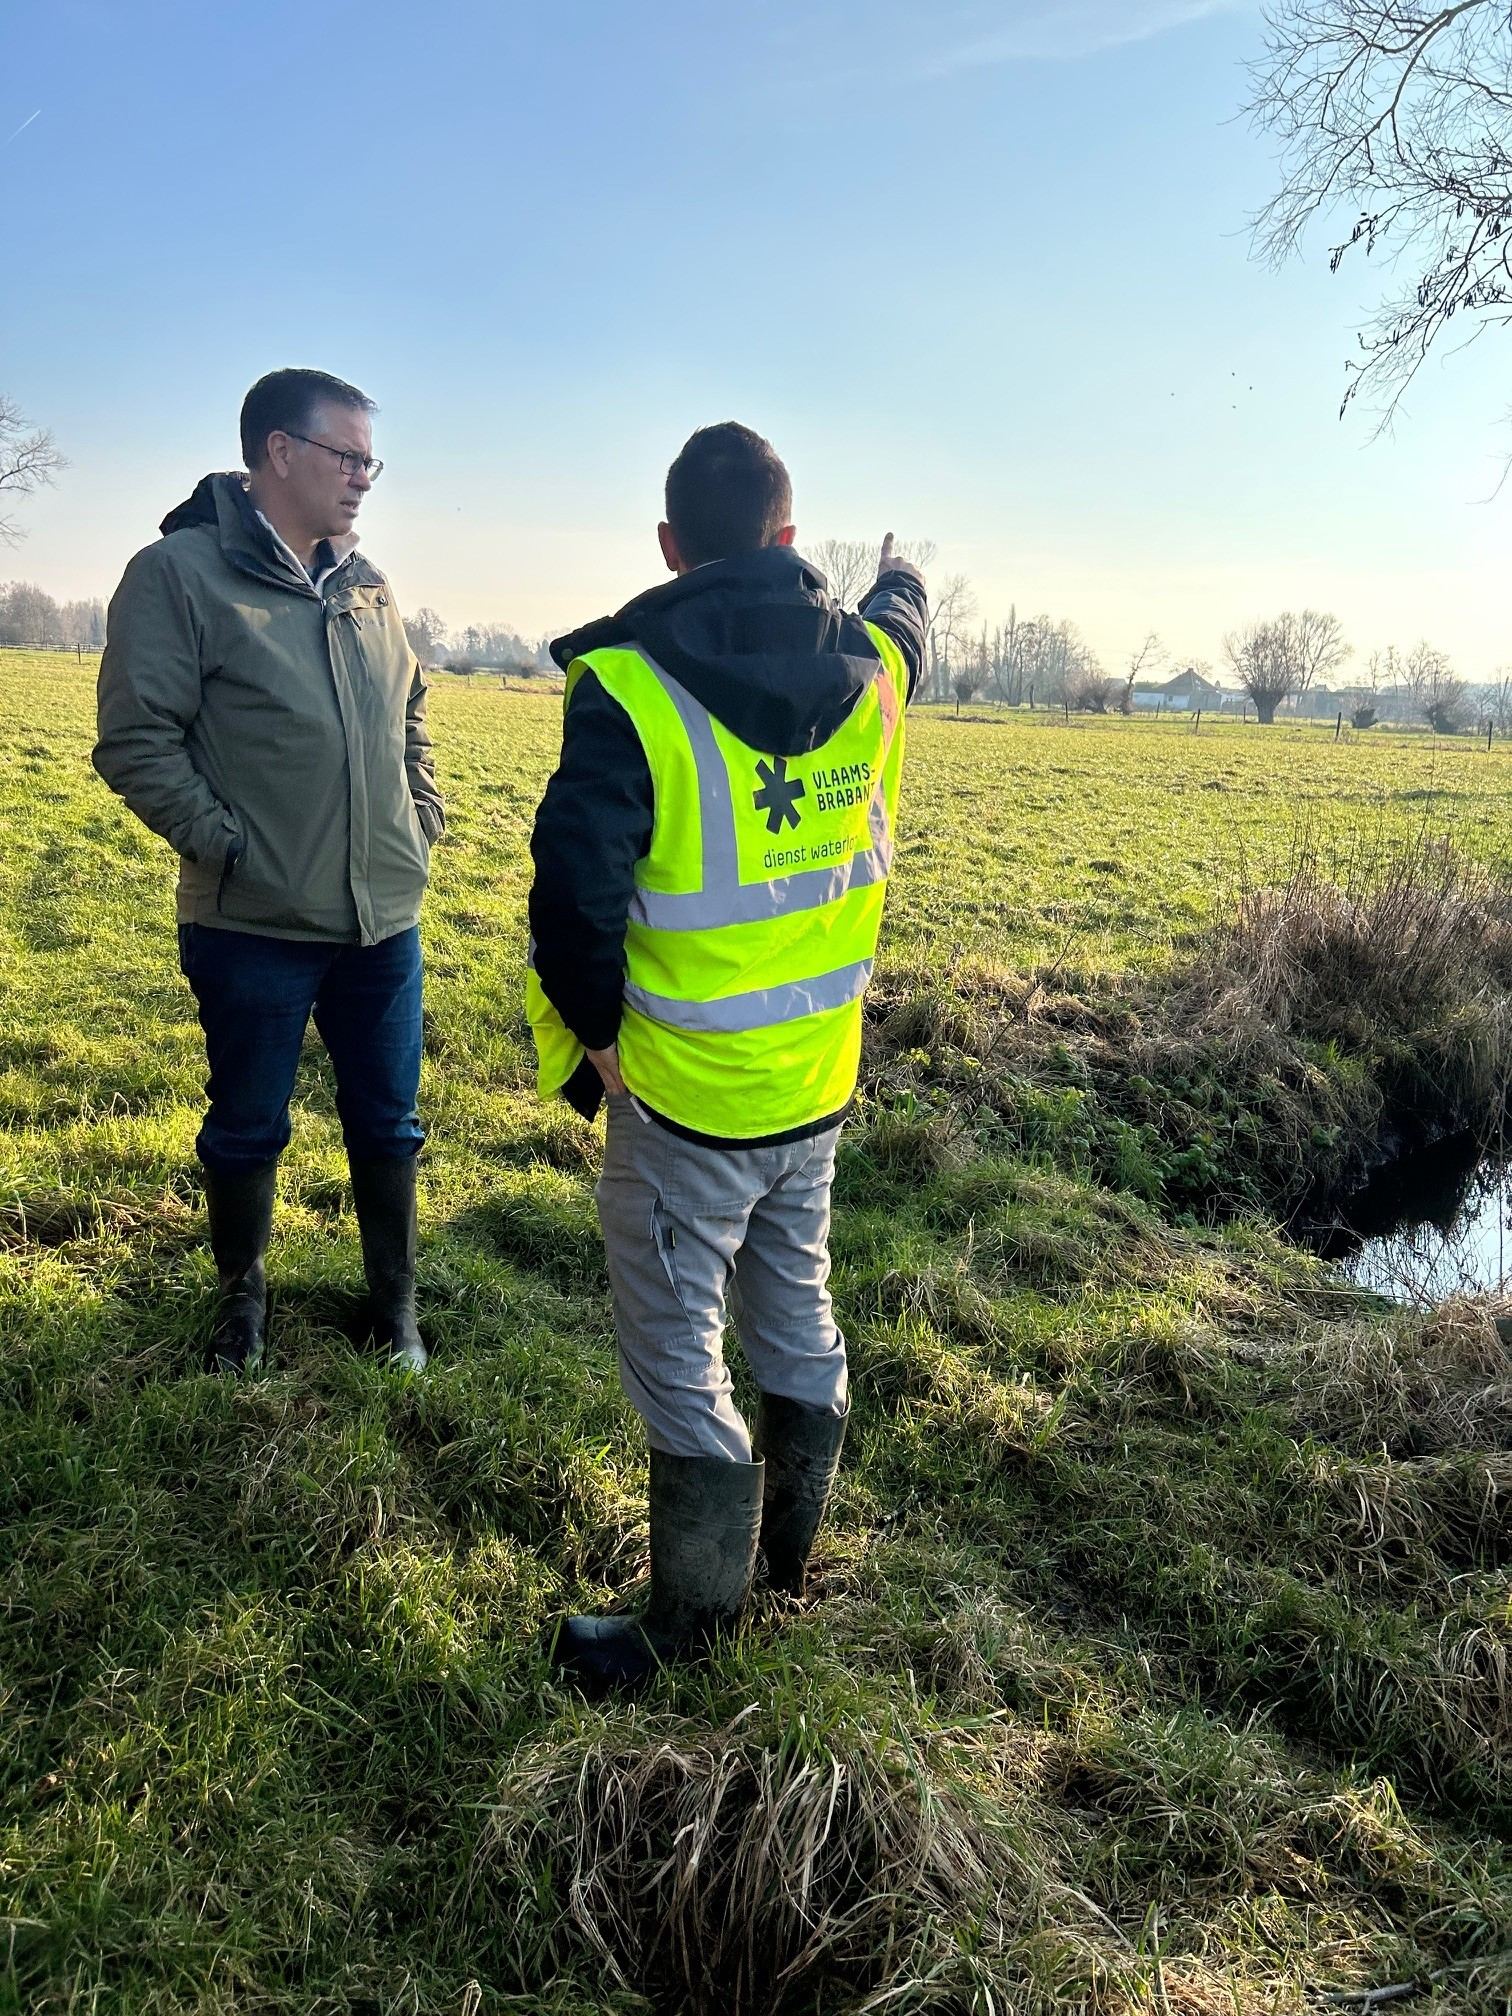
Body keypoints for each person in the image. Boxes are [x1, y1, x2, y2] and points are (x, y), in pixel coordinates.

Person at [527, 421, 928, 1685]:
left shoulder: (632, 689)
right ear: (790, 539)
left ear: (668, 545)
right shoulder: (873, 669)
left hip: (684, 1098)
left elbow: (571, 898)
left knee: (675, 1348)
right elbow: (908, 620)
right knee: (795, 1305)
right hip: (814, 1081)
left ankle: (691, 1631)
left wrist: (595, 1038)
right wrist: (897, 573)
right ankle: (792, 1565)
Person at [94, 367, 444, 1377]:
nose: (365, 478)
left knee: (391, 1123)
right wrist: (228, 845)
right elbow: (136, 739)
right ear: (278, 453)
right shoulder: (179, 576)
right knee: (247, 1126)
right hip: (249, 924)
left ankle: (397, 1313)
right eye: (349, 456)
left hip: (382, 922)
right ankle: (241, 1308)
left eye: (372, 460)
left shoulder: (367, 583)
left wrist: (418, 820)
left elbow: (410, 712)